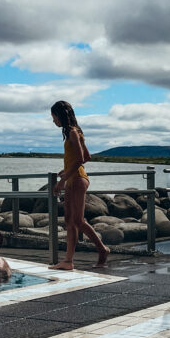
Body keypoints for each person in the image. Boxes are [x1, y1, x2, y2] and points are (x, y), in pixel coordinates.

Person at [50, 100, 109, 269]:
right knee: (70, 220)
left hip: (77, 179)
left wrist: (62, 179)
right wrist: (66, 170)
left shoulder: (73, 132)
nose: (54, 121)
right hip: (73, 178)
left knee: (78, 220)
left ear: (60, 115)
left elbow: (81, 159)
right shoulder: (74, 132)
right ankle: (68, 261)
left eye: (54, 117)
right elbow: (87, 156)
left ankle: (102, 249)